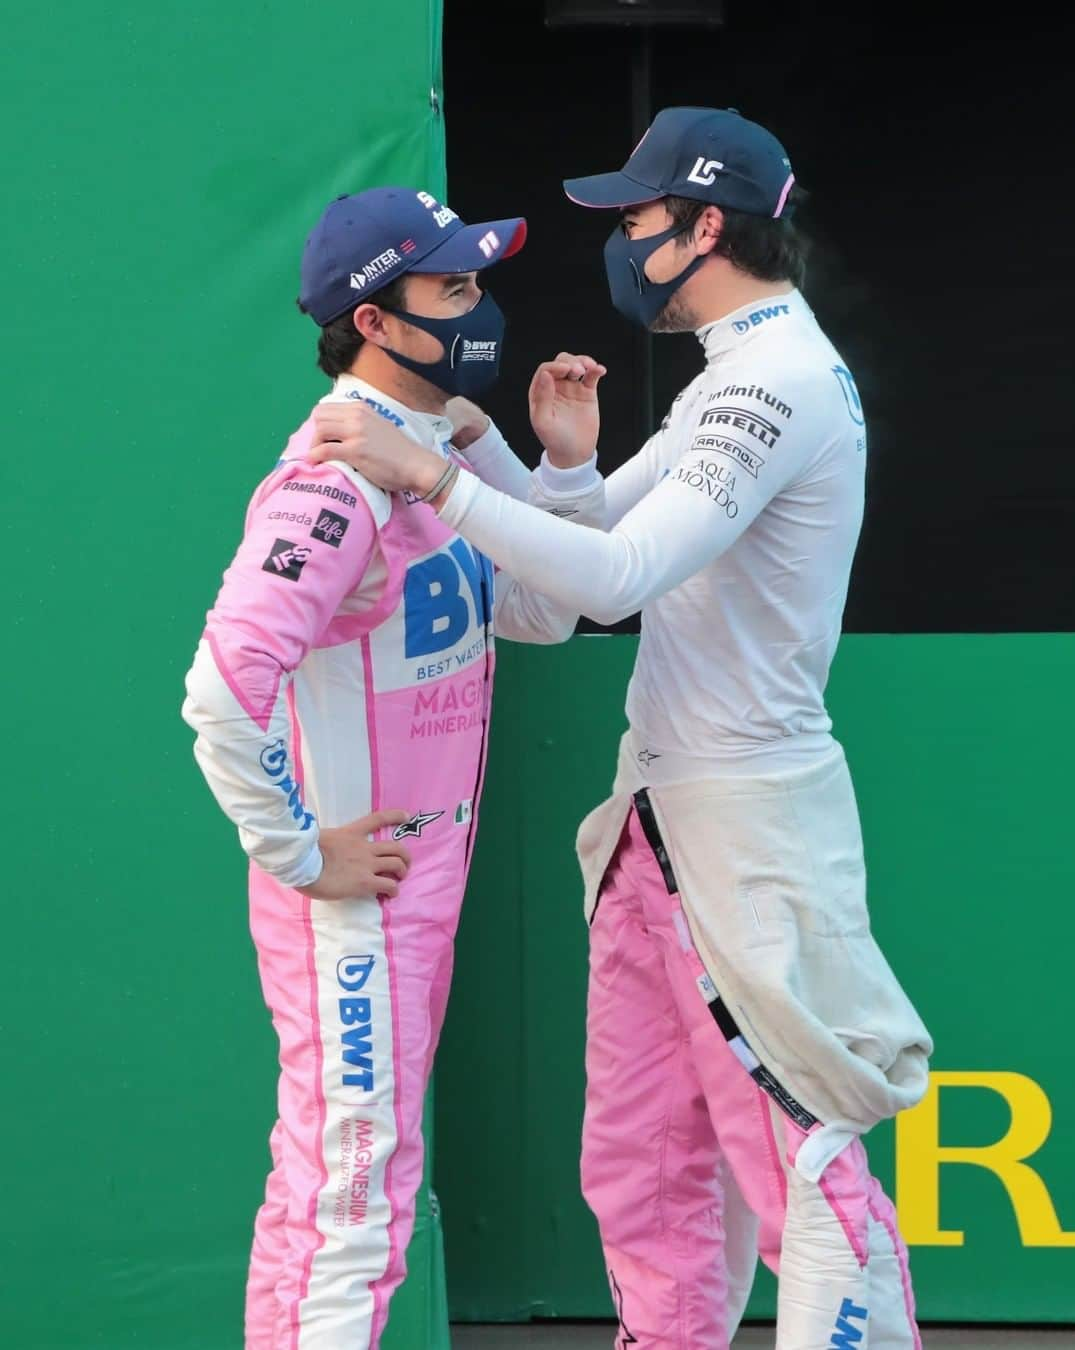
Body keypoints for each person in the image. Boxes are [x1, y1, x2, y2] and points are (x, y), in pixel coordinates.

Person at [307, 108, 934, 1350]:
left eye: (636, 220)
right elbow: (545, 605)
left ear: (706, 226)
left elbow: (610, 582)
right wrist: (539, 463)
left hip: (749, 830)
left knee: (804, 1171)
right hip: (652, 823)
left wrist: (433, 473)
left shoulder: (781, 383)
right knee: (642, 1173)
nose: (623, 241)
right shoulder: (731, 382)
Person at [180, 185, 607, 1350]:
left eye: (479, 283)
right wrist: (301, 850)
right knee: (354, 1205)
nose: (482, 309)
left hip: (409, 900)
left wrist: (558, 469)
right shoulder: (335, 476)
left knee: (333, 1189)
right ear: (374, 320)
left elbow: (540, 610)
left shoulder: (433, 446)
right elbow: (221, 693)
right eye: (455, 289)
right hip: (353, 913)